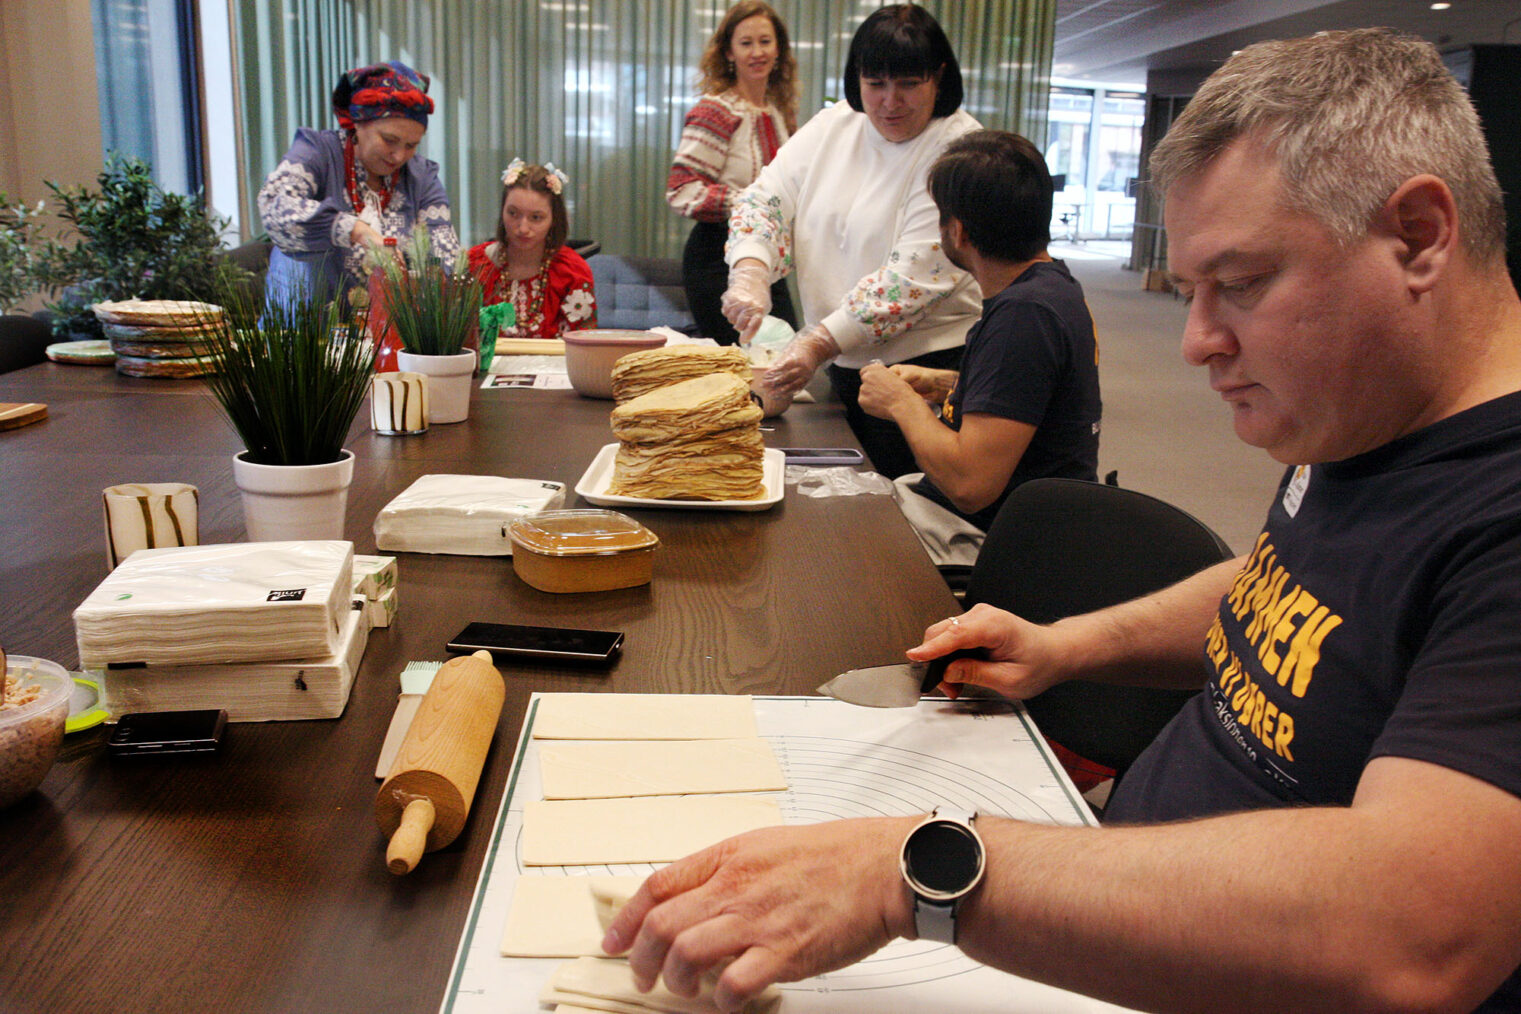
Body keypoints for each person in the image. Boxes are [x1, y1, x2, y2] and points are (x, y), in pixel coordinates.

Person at [604, 29, 1521, 1013]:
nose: (1197, 342)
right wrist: (1062, 648)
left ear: (1419, 235)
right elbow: (1288, 592)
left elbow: (1417, 932)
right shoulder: (1372, 418)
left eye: (1243, 284)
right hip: (1131, 897)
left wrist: (912, 872)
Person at [721, 4, 982, 477]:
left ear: (939, 77)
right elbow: (765, 197)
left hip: (924, 369)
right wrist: (751, 269)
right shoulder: (836, 125)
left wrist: (819, 342)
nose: (890, 101)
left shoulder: (958, 148)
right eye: (875, 84)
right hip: (844, 362)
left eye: (908, 83)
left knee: (902, 510)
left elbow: (910, 280)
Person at [858, 130, 1101, 565]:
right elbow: (1031, 396)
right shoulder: (1051, 289)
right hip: (1036, 522)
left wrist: (899, 403)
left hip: (997, 540)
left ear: (958, 231)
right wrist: (950, 385)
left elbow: (970, 485)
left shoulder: (1024, 315)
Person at [258, 62, 459, 306]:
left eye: (411, 145)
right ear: (358, 123)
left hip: (385, 338)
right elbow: (275, 206)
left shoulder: (420, 177)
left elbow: (444, 254)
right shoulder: (317, 153)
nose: (399, 156)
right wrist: (357, 231)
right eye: (389, 140)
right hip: (307, 333)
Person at [666, 1, 800, 345]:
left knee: (784, 354)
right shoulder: (718, 110)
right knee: (742, 364)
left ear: (779, 49)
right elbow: (681, 190)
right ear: (728, 52)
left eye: (765, 41)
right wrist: (753, 203)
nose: (757, 52)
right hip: (716, 258)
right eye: (746, 43)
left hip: (767, 259)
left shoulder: (777, 112)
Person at [466, 160, 597, 343]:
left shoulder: (573, 271)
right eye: (513, 213)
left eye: (536, 217)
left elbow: (583, 347)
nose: (522, 228)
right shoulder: (473, 266)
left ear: (554, 219)